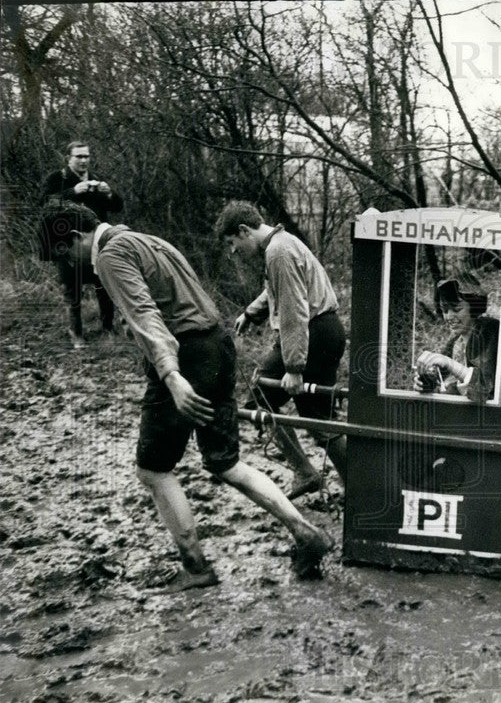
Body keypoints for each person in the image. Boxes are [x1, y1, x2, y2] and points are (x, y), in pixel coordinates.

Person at [39, 203, 332, 592]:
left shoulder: (110, 255)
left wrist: (172, 375)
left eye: (64, 254)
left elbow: (146, 317)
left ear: (76, 238)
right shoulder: (148, 240)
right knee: (225, 462)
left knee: (153, 470)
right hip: (217, 346)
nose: (68, 263)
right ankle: (306, 532)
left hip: (186, 356)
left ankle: (195, 567)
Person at [214, 200, 348, 501]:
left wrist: (294, 368)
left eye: (233, 243)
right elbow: (279, 290)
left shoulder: (277, 252)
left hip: (312, 334)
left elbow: (292, 310)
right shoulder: (283, 243)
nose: (234, 251)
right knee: (319, 415)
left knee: (258, 400)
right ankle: (360, 487)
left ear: (245, 230)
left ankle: (305, 472)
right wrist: (251, 313)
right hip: (326, 332)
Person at [39, 141, 123, 347]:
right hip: (68, 243)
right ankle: (76, 333)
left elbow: (118, 206)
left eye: (86, 156)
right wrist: (73, 192)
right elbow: (44, 204)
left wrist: (110, 194)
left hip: (96, 243)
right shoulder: (57, 179)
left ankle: (108, 329)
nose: (84, 160)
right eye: (79, 156)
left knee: (103, 285)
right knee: (72, 288)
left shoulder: (95, 179)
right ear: (69, 158)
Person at [413, 277, 500, 403]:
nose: (449, 317)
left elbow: (483, 391)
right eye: (445, 310)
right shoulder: (454, 342)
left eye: (457, 309)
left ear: (474, 306)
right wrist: (427, 384)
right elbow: (445, 385)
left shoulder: (489, 331)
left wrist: (449, 363)